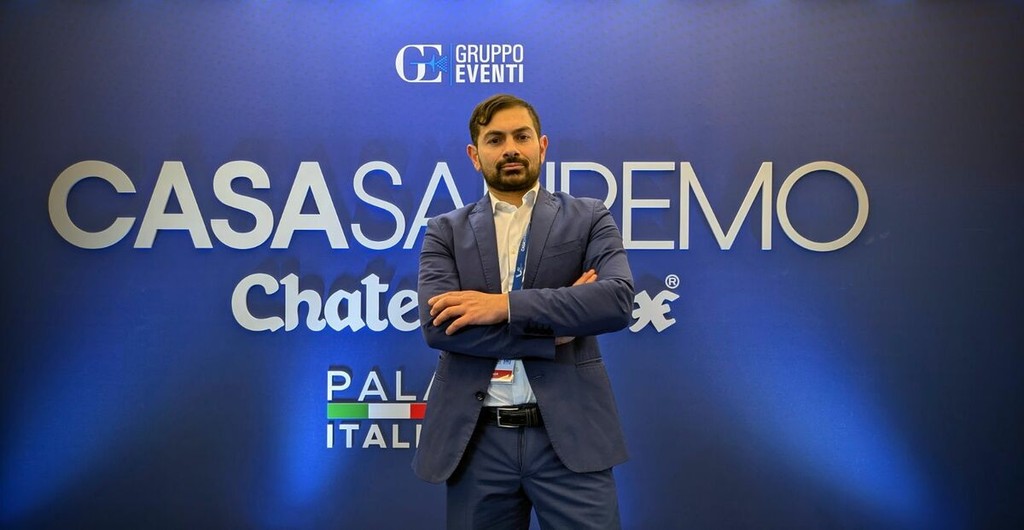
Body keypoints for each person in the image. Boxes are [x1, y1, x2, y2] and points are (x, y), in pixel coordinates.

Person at [413, 93, 634, 529]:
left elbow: (615, 300)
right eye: (495, 140)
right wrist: (553, 332)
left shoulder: (589, 217)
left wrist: (501, 306)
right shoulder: (445, 231)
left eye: (522, 136)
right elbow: (439, 327)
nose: (510, 148)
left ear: (542, 146)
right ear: (475, 156)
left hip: (571, 437)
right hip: (478, 441)